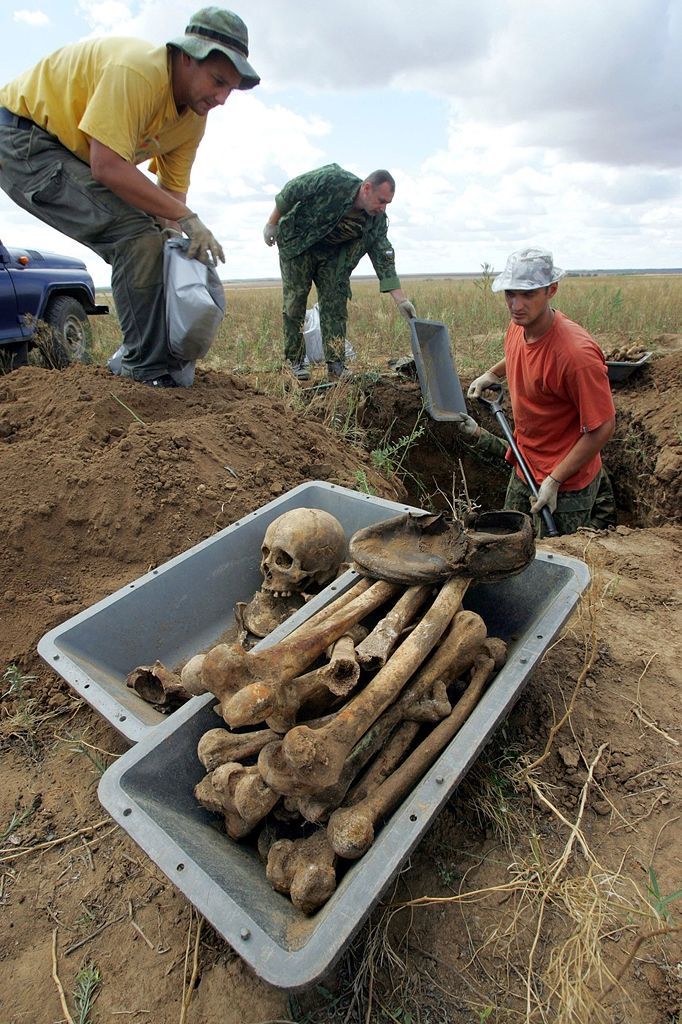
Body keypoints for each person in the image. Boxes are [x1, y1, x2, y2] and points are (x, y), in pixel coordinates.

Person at [0, 7, 259, 388]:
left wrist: (176, 237)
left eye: (229, 90)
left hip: (74, 151)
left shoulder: (193, 119)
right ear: (187, 56)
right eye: (217, 81)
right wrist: (186, 218)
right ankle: (145, 368)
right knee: (135, 236)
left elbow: (170, 195)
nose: (221, 98)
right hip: (24, 138)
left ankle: (159, 359)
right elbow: (106, 165)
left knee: (160, 239)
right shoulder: (138, 73)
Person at [454, 248, 617, 536]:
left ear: (551, 290)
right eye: (510, 294)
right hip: (525, 465)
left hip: (566, 484)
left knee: (554, 560)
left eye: (528, 295)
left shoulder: (576, 356)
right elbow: (519, 352)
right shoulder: (520, 326)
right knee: (510, 543)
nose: (516, 305)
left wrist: (554, 480)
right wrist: (492, 373)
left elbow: (602, 427)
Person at [263, 165, 416, 381]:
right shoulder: (332, 179)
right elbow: (292, 190)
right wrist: (272, 223)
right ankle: (295, 362)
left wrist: (401, 300)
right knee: (295, 302)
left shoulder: (376, 220)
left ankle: (336, 365)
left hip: (333, 256)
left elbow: (382, 254)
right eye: (381, 201)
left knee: (335, 305)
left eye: (387, 203)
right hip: (299, 244)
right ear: (366, 188)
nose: (383, 208)